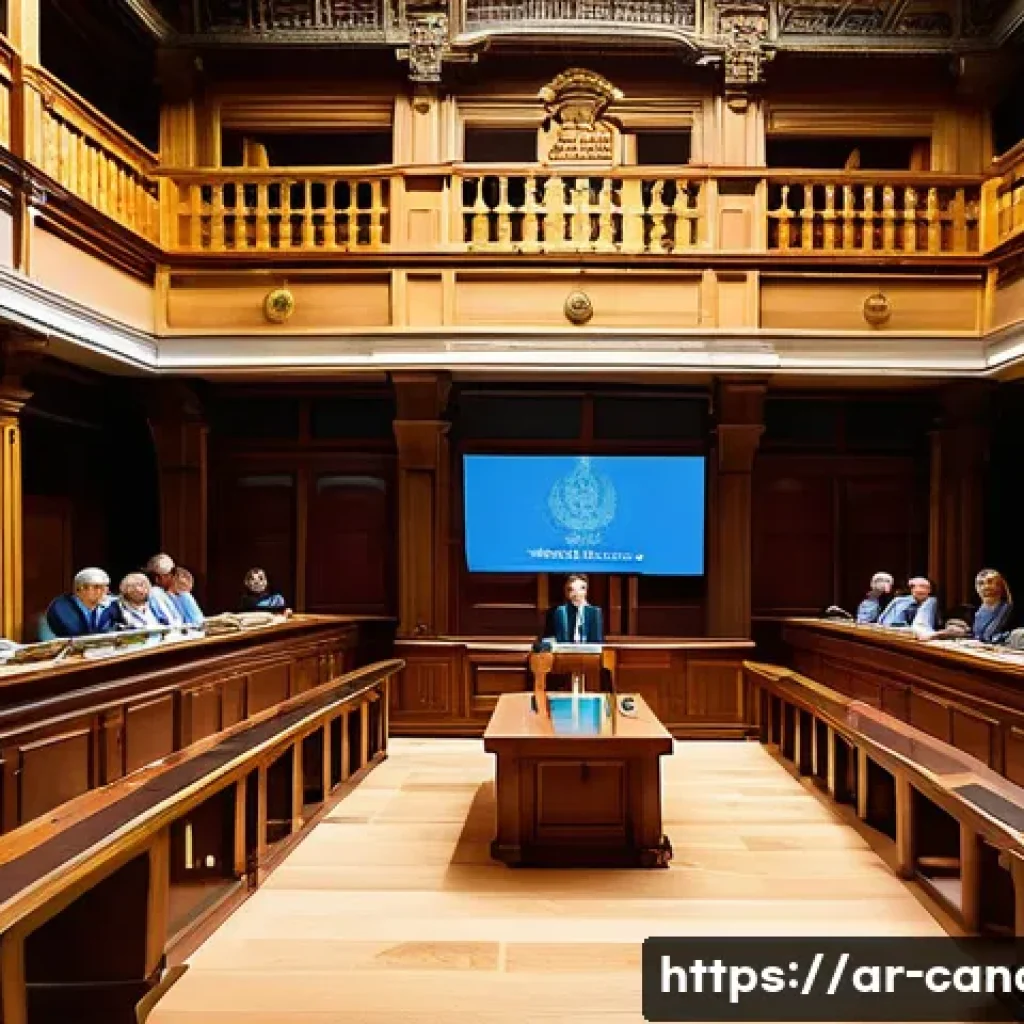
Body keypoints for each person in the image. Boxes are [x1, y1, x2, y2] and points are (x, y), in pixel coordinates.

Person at [923, 569, 1014, 646]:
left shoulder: (1007, 608)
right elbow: (975, 634)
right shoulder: (978, 610)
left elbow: (989, 636)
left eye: (990, 582)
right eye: (980, 584)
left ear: (999, 586)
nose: (985, 587)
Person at [45, 567, 113, 637]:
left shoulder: (111, 603)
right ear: (80, 590)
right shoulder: (61, 608)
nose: (105, 591)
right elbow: (79, 636)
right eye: (97, 587)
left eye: (106, 586)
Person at [543, 573, 604, 644]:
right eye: (571, 589)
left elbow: (597, 643)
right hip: (562, 653)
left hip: (588, 653)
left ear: (586, 591)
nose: (576, 594)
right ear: (565, 591)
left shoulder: (594, 612)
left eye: (581, 589)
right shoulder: (554, 612)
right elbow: (547, 639)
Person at [145, 553, 185, 627]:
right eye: (170, 574)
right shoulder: (155, 593)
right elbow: (170, 622)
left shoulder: (166, 593)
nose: (173, 577)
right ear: (157, 578)